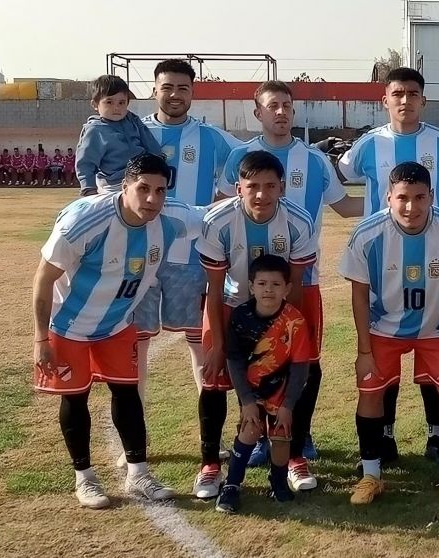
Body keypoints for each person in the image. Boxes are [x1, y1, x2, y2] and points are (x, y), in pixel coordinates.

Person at [31, 153, 199, 508]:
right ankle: (85, 478)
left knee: (126, 393)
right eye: (143, 189)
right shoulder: (84, 220)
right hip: (69, 325)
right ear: (124, 186)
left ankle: (138, 474)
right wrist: (40, 337)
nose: (152, 199)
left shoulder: (172, 219)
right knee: (75, 398)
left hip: (118, 324)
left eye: (160, 190)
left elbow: (216, 216)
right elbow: (44, 278)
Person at [221, 79, 362, 468]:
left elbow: (345, 206)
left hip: (303, 283)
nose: (281, 112)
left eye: (287, 105)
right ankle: (258, 433)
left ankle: (299, 432)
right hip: (245, 287)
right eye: (273, 106)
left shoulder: (315, 160)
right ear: (258, 113)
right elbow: (220, 207)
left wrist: (395, 206)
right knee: (254, 360)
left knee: (302, 360)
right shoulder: (240, 156)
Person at [337, 67, 439, 463]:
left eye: (413, 93)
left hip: (437, 262)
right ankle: (386, 437)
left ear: (423, 100)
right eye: (397, 93)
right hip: (385, 261)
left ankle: (436, 435)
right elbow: (337, 180)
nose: (405, 100)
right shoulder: (368, 144)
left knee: (435, 353)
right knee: (385, 358)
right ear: (385, 100)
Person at [128, 59, 242, 499]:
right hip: (135, 262)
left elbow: (247, 166)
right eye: (166, 87)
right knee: (133, 351)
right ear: (154, 90)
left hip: (190, 261)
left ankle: (209, 446)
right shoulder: (132, 132)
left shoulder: (212, 137)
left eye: (182, 87)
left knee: (203, 348)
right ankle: (135, 444)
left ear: (193, 93)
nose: (174, 94)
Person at [340, 162, 439, 506]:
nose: (411, 207)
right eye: (403, 198)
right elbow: (358, 294)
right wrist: (364, 350)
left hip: (436, 328)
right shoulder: (367, 235)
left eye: (419, 197)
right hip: (382, 327)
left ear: (432, 196)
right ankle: (371, 475)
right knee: (370, 394)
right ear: (388, 197)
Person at [197, 150, 320, 495]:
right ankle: (209, 463)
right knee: (213, 377)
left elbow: (294, 288)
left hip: (282, 303)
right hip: (233, 302)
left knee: (304, 369)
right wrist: (218, 345)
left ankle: (294, 455)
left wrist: (285, 336)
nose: (262, 194)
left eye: (270, 186)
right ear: (238, 188)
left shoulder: (298, 221)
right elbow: (215, 289)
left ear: (282, 187)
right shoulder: (218, 221)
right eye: (253, 186)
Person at [214, 254, 312, 513]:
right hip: (252, 390)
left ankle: (278, 483)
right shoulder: (240, 316)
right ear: (251, 286)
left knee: (281, 437)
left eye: (276, 284)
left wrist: (288, 404)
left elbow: (301, 366)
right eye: (262, 283)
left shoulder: (296, 321)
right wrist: (246, 400)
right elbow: (234, 360)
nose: (268, 289)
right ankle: (232, 485)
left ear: (288, 289)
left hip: (283, 390)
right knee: (249, 431)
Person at [76, 75, 162, 196]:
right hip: (115, 184)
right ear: (95, 104)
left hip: (144, 176)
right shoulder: (95, 130)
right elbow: (86, 163)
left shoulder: (132, 120)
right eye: (109, 102)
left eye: (121, 102)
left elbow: (149, 142)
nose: (116, 107)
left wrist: (158, 159)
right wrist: (89, 189)